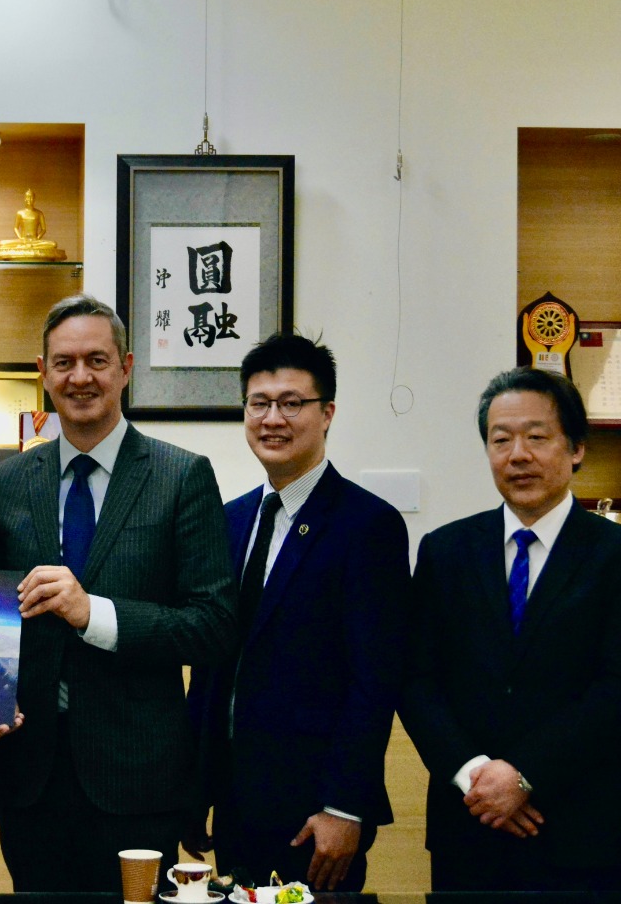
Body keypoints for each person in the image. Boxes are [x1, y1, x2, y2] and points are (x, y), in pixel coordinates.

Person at [0, 293, 238, 892]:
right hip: (27, 773)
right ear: (42, 374)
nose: (80, 376)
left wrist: (95, 614)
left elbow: (214, 626)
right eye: (63, 362)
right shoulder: (7, 482)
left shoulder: (181, 476)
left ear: (126, 367)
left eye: (96, 359)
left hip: (138, 778)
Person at [399, 367, 621, 891]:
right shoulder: (445, 551)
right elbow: (415, 678)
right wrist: (476, 775)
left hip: (581, 828)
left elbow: (619, 691)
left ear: (577, 449)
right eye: (501, 440)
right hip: (469, 824)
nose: (517, 454)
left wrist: (521, 776)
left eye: (537, 437)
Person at [185, 334, 411, 891]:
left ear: (327, 412)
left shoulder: (368, 526)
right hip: (234, 799)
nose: (272, 419)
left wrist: (346, 806)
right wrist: (194, 789)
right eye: (258, 403)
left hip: (316, 812)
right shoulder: (231, 519)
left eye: (292, 403)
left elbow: (373, 680)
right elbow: (215, 665)